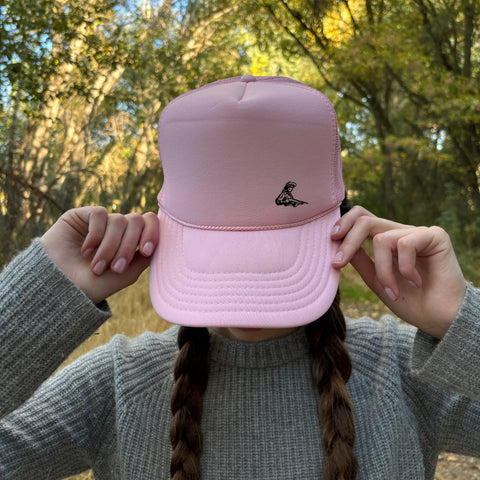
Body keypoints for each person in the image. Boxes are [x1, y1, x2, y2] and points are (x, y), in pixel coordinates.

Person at [0, 76, 479, 480]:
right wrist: (40, 294)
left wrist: (460, 320)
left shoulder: (403, 371)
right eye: (223, 254)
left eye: (270, 253)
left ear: (343, 225)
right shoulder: (116, 385)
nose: (247, 299)